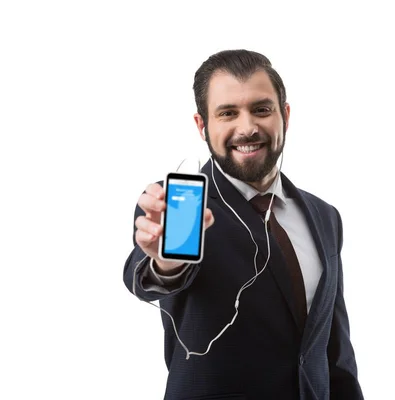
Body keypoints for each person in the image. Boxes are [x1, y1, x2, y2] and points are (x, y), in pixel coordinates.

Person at [123, 49, 364, 400]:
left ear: (285, 115)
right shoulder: (176, 208)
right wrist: (166, 265)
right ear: (202, 126)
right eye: (228, 113)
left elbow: (335, 350)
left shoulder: (324, 216)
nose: (247, 127)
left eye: (261, 109)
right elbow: (151, 276)